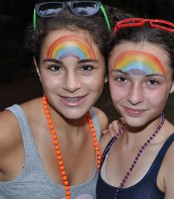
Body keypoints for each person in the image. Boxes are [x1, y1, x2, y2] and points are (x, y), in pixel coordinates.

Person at [0, 1, 128, 198]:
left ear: (108, 70)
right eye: (55, 67)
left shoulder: (98, 122)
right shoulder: (7, 131)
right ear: (37, 68)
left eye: (86, 68)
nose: (70, 84)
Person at [96, 18, 174, 199]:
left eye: (152, 82)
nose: (134, 97)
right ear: (106, 75)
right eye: (122, 79)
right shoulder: (107, 141)